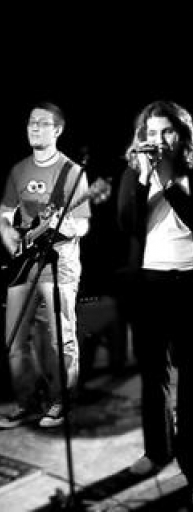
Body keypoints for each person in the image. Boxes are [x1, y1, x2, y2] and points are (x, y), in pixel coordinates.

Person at [117, 100, 193, 506]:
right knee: (152, 374)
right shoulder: (133, 174)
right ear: (142, 137)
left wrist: (165, 179)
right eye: (152, 133)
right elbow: (127, 223)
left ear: (181, 134)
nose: (159, 140)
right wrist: (144, 178)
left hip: (191, 284)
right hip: (149, 285)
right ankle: (157, 451)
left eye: (167, 131)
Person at [0, 101, 91, 429]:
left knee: (60, 339)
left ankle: (62, 401)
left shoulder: (72, 172)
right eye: (30, 122)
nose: (34, 128)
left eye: (42, 123)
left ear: (58, 130)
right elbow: (5, 214)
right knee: (14, 341)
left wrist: (62, 226)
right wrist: (11, 238)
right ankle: (27, 402)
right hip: (23, 266)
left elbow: (82, 224)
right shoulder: (18, 170)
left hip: (59, 265)